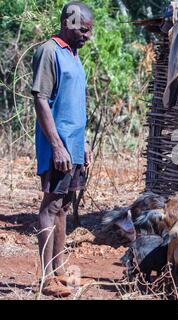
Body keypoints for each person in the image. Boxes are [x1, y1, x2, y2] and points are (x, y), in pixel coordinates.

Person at [31, 2, 94, 297]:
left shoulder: (74, 56)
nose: (87, 36)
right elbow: (41, 99)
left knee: (64, 206)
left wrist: (83, 146)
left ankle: (58, 271)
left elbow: (75, 106)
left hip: (74, 146)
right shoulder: (49, 52)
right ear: (69, 23)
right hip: (58, 146)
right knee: (51, 205)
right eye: (84, 30)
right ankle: (46, 278)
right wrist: (57, 145)